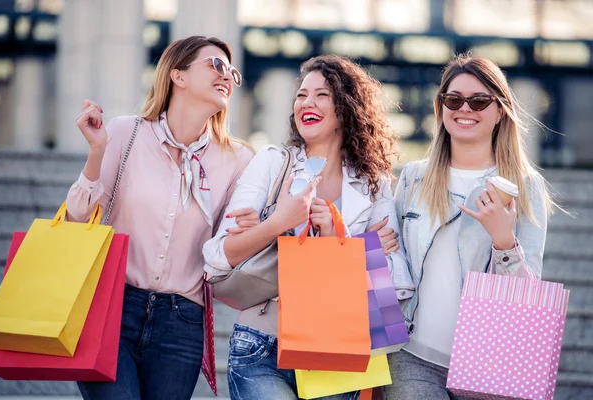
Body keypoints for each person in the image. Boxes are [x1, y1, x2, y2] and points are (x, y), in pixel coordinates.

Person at [203, 54, 410, 400]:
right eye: (301, 95)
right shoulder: (272, 162)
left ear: (347, 107)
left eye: (321, 95)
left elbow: (396, 282)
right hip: (261, 344)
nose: (307, 103)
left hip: (337, 350)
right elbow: (216, 258)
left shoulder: (374, 184)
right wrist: (276, 223)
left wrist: (335, 238)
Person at [66, 36, 254, 400]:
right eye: (216, 65)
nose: (227, 76)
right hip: (111, 307)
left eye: (232, 71)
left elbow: (225, 246)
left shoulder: (237, 160)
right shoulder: (125, 133)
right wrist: (96, 151)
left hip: (181, 321)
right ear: (178, 76)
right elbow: (77, 220)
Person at [384, 53, 557, 399]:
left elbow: (529, 292)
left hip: (490, 364)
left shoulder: (524, 187)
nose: (465, 109)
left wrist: (504, 241)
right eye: (453, 99)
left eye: (479, 101)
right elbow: (395, 262)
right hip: (411, 355)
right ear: (441, 108)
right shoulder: (414, 178)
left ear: (500, 112)